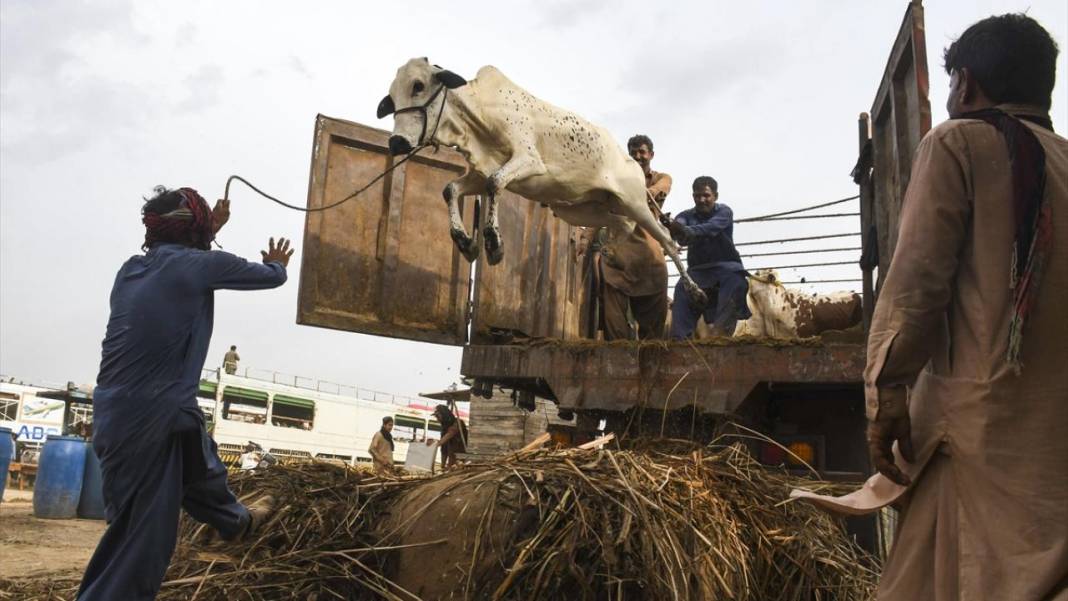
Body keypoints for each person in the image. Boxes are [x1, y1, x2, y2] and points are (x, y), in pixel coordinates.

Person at [793, 14, 1066, 601]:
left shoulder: (958, 142)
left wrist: (886, 392)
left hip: (973, 439)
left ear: (964, 84)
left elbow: (916, 286)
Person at [77, 186, 294, 601]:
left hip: (116, 411)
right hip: (154, 414)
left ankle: (234, 522)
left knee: (197, 463)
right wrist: (277, 264)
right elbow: (270, 277)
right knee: (142, 544)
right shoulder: (199, 266)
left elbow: (181, 268)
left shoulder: (129, 271)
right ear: (195, 231)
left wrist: (206, 230)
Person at [576, 134, 672, 340]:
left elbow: (660, 188)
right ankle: (618, 365)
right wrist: (585, 238)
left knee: (653, 332)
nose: (638, 156)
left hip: (649, 258)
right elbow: (601, 210)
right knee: (615, 327)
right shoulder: (614, 181)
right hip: (618, 260)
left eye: (642, 152)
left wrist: (643, 192)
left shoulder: (660, 178)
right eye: (633, 153)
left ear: (651, 155)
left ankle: (650, 366)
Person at [666, 176, 751, 339]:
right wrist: (672, 226)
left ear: (715, 196)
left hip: (726, 268)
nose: (702, 200)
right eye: (697, 196)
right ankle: (679, 341)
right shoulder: (685, 215)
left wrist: (685, 230)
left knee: (736, 280)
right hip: (697, 272)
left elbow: (710, 228)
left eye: (706, 195)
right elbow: (681, 235)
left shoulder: (724, 211)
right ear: (693, 197)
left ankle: (720, 336)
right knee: (681, 289)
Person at [427, 405, 467, 471]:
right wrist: (442, 466)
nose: (437, 419)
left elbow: (449, 435)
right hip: (451, 454)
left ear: (444, 415)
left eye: (438, 416)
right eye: (436, 417)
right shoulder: (445, 427)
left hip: (460, 455)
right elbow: (443, 448)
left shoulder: (457, 423)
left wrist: (435, 443)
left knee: (455, 469)